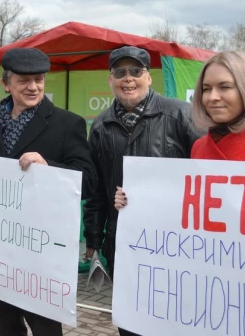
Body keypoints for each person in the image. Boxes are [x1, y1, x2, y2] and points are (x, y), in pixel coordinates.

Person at [0, 47, 97, 336]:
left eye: (39, 79)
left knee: (45, 329)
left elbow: (88, 179)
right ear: (6, 84)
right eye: (24, 81)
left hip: (39, 253)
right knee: (0, 329)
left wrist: (48, 166)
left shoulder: (66, 123)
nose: (33, 87)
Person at [83, 46, 201, 336]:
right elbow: (97, 192)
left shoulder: (180, 115)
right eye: (120, 72)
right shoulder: (99, 126)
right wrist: (94, 240)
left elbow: (204, 177)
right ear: (110, 80)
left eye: (136, 71)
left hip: (176, 243)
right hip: (124, 245)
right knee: (131, 323)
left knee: (174, 320)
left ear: (149, 77)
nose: (128, 79)